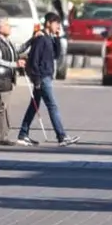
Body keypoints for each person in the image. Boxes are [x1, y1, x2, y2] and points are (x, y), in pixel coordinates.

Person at [16, 13, 79, 147]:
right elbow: (34, 60)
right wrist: (37, 80)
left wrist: (57, 37)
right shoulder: (41, 39)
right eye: (56, 23)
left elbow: (56, 54)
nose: (58, 26)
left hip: (46, 76)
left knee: (34, 106)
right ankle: (61, 136)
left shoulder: (49, 38)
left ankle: (23, 134)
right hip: (42, 77)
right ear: (49, 23)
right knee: (52, 106)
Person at [0, 18, 24, 146]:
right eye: (6, 25)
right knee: (1, 108)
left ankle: (2, 135)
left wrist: (32, 41)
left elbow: (17, 51)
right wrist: (14, 64)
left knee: (5, 108)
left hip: (7, 79)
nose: (9, 27)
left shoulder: (7, 42)